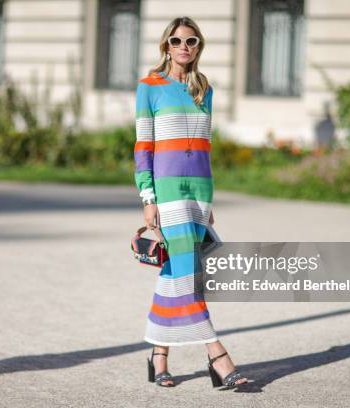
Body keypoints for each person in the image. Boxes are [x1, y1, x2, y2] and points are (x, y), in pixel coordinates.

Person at [133, 16, 250, 388]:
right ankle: (219, 358)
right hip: (167, 192)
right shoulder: (149, 87)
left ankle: (159, 355)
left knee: (175, 272)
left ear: (199, 46)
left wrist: (209, 195)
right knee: (189, 277)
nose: (184, 47)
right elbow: (143, 146)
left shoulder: (204, 89)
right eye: (177, 40)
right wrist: (147, 196)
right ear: (165, 45)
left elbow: (205, 146)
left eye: (192, 41)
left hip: (200, 191)